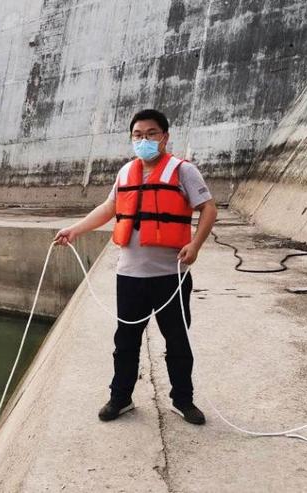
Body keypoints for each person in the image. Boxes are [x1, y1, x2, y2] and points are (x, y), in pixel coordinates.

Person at [54, 109, 217, 425]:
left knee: (177, 342)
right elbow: (108, 208)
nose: (144, 140)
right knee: (125, 341)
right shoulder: (126, 172)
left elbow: (208, 208)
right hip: (130, 277)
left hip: (172, 276)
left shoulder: (184, 171)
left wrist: (194, 245)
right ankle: (121, 397)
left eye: (151, 133)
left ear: (165, 137)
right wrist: (75, 229)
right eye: (138, 135)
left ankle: (183, 400)